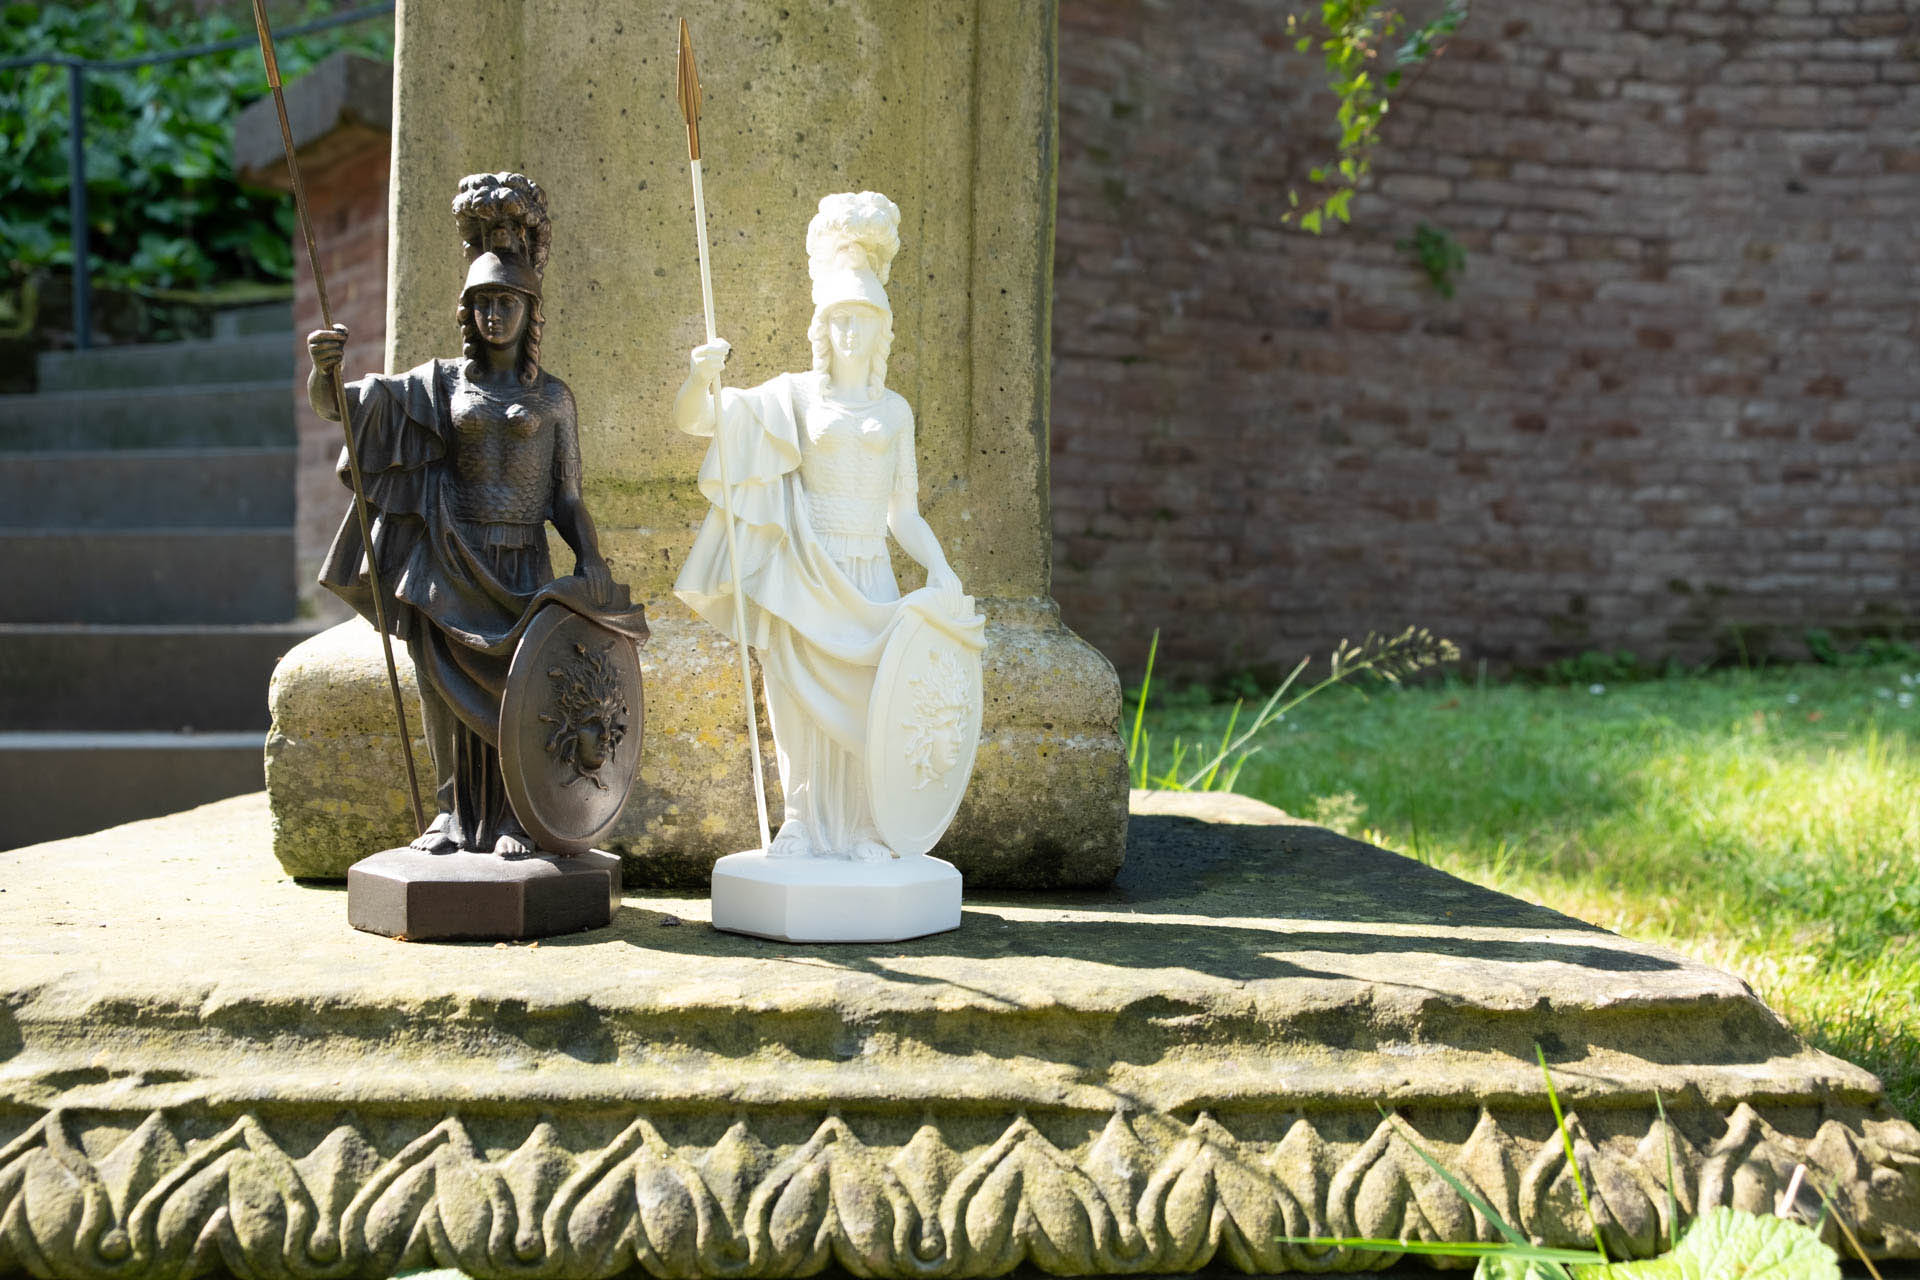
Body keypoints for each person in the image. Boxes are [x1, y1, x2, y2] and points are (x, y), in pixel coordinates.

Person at [308, 172, 644, 855]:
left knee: (521, 698)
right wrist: (324, 369)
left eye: (506, 303)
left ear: (529, 310)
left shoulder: (554, 399)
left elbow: (566, 498)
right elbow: (343, 409)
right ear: (468, 314)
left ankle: (519, 819)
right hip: (450, 557)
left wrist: (591, 559)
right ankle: (451, 816)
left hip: (521, 565)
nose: (494, 316)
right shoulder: (436, 386)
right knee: (442, 696)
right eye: (483, 304)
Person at [671, 191, 984, 862]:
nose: (849, 334)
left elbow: (903, 514)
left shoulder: (896, 412)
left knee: (873, 707)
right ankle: (800, 821)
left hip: (868, 574)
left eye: (861, 321)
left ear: (881, 330)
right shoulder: (791, 397)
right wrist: (701, 378)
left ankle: (868, 828)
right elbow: (702, 421)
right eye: (839, 320)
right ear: (823, 327)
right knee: (796, 703)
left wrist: (939, 567)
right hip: (806, 570)